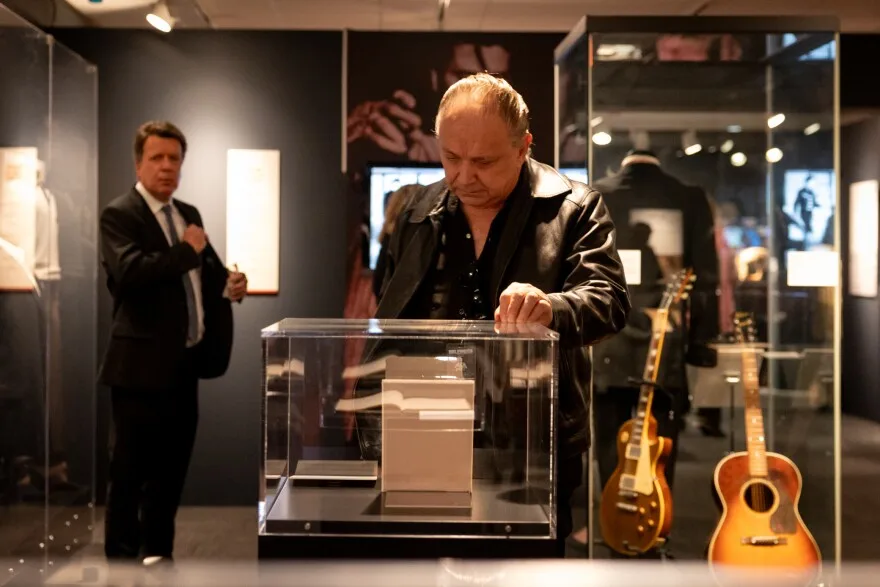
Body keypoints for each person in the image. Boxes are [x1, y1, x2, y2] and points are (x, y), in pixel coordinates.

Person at [371, 73, 631, 555]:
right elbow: (388, 310)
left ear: (523, 147)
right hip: (427, 428)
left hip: (531, 442)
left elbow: (610, 300)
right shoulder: (417, 210)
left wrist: (551, 307)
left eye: (484, 162)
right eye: (451, 157)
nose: (464, 177)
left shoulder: (575, 206)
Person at [98, 121, 247, 565]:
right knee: (128, 475)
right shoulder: (119, 214)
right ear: (138, 162)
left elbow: (210, 274)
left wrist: (232, 285)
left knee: (170, 473)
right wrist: (185, 252)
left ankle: (158, 555)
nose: (166, 167)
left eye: (174, 159)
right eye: (157, 158)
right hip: (137, 369)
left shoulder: (189, 213)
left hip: (184, 366)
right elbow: (128, 273)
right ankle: (122, 564)